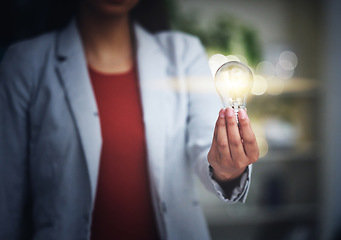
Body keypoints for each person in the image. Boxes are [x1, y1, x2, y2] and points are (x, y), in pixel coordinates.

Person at [0, 0, 259, 239]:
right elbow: (6, 197)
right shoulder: (25, 64)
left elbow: (207, 149)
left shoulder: (183, 54)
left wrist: (227, 168)